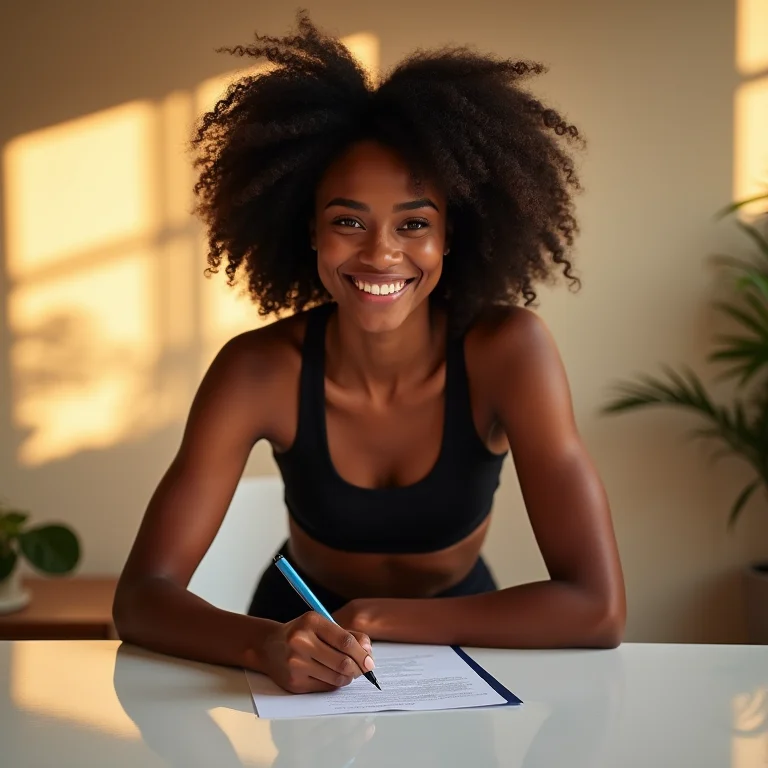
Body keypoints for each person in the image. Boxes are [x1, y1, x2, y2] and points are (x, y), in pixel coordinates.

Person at [113, 11, 626, 695]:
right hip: (293, 640)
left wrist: (375, 618)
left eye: (414, 223)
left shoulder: (509, 352)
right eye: (348, 221)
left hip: (463, 632)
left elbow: (597, 609)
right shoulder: (258, 369)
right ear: (311, 234)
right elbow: (142, 596)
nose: (381, 252)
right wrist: (262, 643)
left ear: (453, 236)